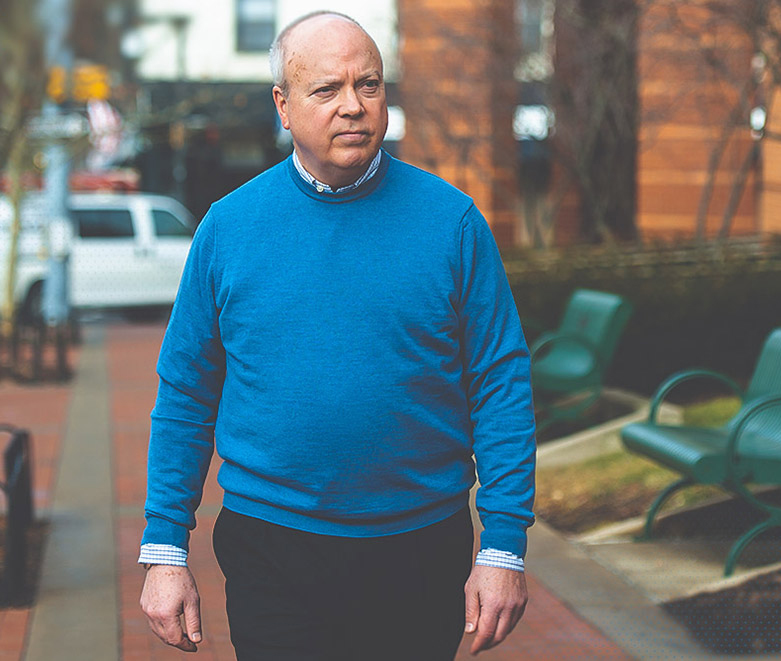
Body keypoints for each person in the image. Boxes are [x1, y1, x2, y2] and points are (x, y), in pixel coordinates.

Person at [138, 11, 536, 660]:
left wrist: (503, 545)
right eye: (327, 89)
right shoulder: (229, 227)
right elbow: (185, 394)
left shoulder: (453, 224)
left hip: (420, 545)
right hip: (273, 543)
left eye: (369, 84)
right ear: (284, 106)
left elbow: (500, 383)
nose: (353, 105)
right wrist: (164, 549)